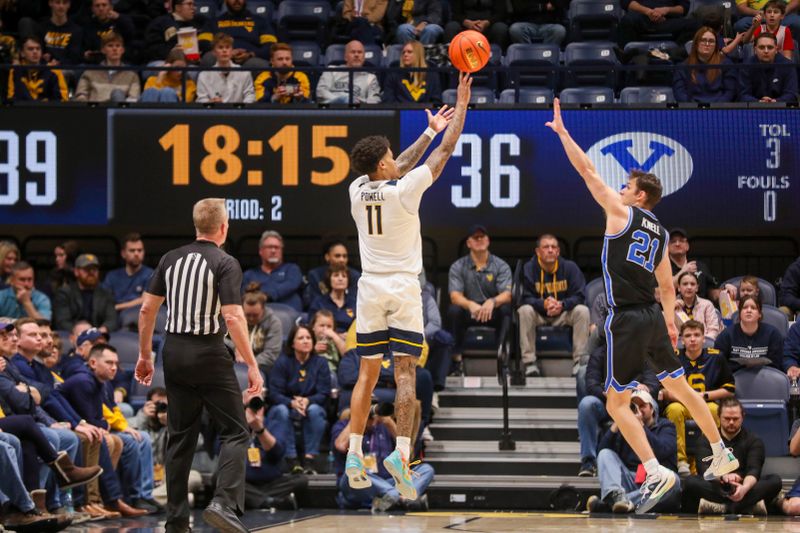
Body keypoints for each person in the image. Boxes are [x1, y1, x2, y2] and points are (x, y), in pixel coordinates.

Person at [546, 97, 738, 514]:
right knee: (681, 388)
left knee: (615, 403)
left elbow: (587, 170)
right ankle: (720, 450)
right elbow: (667, 289)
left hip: (627, 318)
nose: (619, 189)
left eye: (627, 186)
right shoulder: (663, 235)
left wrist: (563, 134)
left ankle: (653, 469)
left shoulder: (619, 212)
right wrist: (670, 324)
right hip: (653, 317)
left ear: (640, 195)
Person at [344, 72, 470, 501]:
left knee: (366, 373)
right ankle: (401, 451)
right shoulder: (405, 193)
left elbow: (401, 166)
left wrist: (426, 131)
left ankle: (355, 452)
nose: (396, 159)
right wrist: (461, 106)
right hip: (402, 287)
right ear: (383, 164)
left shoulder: (357, 190)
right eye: (390, 157)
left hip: (369, 288)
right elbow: (445, 152)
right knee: (405, 372)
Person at [135, 197, 263, 533]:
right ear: (224, 227)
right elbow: (233, 315)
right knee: (236, 431)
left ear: (197, 225)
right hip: (208, 352)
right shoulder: (225, 261)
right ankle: (223, 502)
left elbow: (147, 310)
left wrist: (144, 355)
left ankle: (176, 522)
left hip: (173, 352)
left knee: (180, 438)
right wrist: (251, 363)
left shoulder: (170, 259)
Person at [681, 397, 782, 515]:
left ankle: (725, 507)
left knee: (775, 481)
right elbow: (704, 469)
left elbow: (754, 470)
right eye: (727, 419)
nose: (731, 422)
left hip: (744, 487)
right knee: (690, 482)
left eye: (735, 419)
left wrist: (743, 489)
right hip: (718, 486)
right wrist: (724, 477)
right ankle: (743, 506)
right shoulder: (706, 439)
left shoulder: (754, 440)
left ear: (743, 417)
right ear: (719, 416)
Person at [585, 389, 679, 513]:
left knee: (674, 481)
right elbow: (602, 453)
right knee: (605, 454)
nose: (638, 410)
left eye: (642, 406)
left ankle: (609, 505)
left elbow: (662, 451)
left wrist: (641, 427)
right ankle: (617, 497)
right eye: (634, 407)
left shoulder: (666, 426)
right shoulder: (624, 427)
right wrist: (618, 423)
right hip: (630, 478)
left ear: (652, 409)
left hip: (656, 481)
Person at [663, 320, 734, 477]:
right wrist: (688, 398)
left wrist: (703, 396)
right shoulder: (673, 357)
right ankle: (681, 461)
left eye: (697, 335)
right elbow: (664, 391)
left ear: (704, 338)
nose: (693, 339)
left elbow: (729, 389)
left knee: (715, 410)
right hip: (681, 404)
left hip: (706, 403)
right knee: (674, 410)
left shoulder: (716, 357)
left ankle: (708, 459)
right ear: (681, 340)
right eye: (688, 335)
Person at [578, 342, 659, 478]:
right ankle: (588, 462)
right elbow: (591, 384)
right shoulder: (600, 353)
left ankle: (653, 462)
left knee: (649, 402)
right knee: (587, 404)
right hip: (609, 402)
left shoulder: (644, 353)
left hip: (636, 402)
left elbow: (653, 385)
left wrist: (643, 389)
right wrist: (609, 393)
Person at [333, 404, 435, 512]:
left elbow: (409, 452)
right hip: (359, 485)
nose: (371, 418)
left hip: (387, 482)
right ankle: (398, 497)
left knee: (426, 469)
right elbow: (340, 445)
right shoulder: (345, 425)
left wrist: (390, 423)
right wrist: (357, 419)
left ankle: (397, 499)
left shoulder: (384, 426)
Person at [518, 234, 590, 377]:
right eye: (546, 247)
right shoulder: (529, 268)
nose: (550, 250)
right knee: (524, 310)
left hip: (563, 314)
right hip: (539, 315)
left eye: (554, 247)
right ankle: (529, 363)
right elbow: (524, 297)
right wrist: (543, 304)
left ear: (558, 251)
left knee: (582, 311)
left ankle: (579, 363)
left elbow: (580, 295)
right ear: (538, 251)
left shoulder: (570, 267)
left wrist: (562, 304)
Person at [266, 324, 331, 474]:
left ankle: (309, 460)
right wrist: (292, 403)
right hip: (286, 405)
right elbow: (274, 394)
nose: (305, 341)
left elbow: (324, 393)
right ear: (292, 343)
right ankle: (291, 459)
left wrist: (308, 401)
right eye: (300, 338)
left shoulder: (321, 363)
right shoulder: (282, 362)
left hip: (310, 405)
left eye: (308, 338)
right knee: (281, 411)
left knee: (315, 411)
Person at [446, 224, 512, 367]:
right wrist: (470, 305)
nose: (480, 239)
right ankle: (456, 359)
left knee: (506, 310)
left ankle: (503, 355)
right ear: (469, 243)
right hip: (470, 311)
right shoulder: (458, 266)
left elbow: (507, 295)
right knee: (453, 311)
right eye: (475, 237)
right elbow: (455, 296)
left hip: (492, 311)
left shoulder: (501, 265)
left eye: (483, 237)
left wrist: (492, 302)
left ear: (488, 241)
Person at [242, 391, 306, 510]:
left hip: (271, 483)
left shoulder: (273, 424)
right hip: (244, 483)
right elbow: (222, 453)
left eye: (257, 404)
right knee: (219, 479)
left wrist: (260, 430)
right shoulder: (234, 427)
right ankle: (269, 502)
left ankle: (257, 500)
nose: (254, 409)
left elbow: (277, 453)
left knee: (301, 480)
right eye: (248, 406)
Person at [714, 295, 784, 371]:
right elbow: (719, 365)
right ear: (739, 313)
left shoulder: (773, 334)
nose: (749, 310)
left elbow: (776, 366)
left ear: (759, 314)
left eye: (753, 308)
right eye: (745, 308)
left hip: (765, 379)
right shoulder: (726, 336)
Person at [53, 254, 118, 333]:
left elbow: (112, 320)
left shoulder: (106, 293)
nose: (91, 272)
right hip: (72, 334)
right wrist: (80, 332)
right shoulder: (64, 293)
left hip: (99, 334)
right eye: (87, 269)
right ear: (76, 272)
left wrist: (99, 331)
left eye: (94, 269)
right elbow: (62, 321)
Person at [241, 230, 304, 312]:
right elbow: (244, 295)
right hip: (258, 316)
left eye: (277, 247)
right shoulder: (249, 275)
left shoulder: (292, 269)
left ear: (281, 251)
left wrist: (263, 293)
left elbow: (289, 285)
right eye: (269, 247)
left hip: (288, 314)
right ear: (261, 251)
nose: (273, 251)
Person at [673, 26, 738, 103]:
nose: (707, 44)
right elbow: (680, 93)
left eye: (711, 41)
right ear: (696, 43)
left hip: (718, 109)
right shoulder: (683, 67)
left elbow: (730, 92)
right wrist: (694, 107)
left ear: (716, 45)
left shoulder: (726, 65)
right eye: (703, 40)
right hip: (692, 110)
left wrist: (716, 107)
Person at [73, 32, 141, 102]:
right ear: (103, 50)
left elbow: (133, 98)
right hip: (95, 110)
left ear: (122, 50)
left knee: (118, 94)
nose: (114, 49)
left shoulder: (132, 75)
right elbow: (80, 95)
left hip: (118, 110)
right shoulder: (90, 73)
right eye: (110, 46)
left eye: (118, 46)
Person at [206, 0, 276, 68]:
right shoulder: (213, 22)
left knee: (257, 64)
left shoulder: (260, 21)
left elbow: (270, 46)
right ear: (225, 1)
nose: (237, 1)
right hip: (221, 56)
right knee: (209, 58)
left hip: (251, 59)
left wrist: (251, 54)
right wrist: (226, 52)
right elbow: (203, 43)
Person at [195, 33, 256, 104]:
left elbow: (250, 96)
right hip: (214, 113)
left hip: (238, 113)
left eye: (227, 47)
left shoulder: (244, 73)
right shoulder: (204, 75)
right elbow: (201, 99)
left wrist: (241, 110)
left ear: (232, 51)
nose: (224, 50)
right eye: (220, 47)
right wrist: (210, 103)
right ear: (214, 52)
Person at [102, 233, 154, 314]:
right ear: (123, 253)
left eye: (140, 250)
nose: (136, 254)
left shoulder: (150, 274)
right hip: (114, 317)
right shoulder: (112, 276)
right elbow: (104, 299)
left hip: (138, 315)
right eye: (132, 250)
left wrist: (117, 307)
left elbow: (145, 300)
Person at [144, 0, 212, 62]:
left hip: (194, 62)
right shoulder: (160, 23)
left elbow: (207, 43)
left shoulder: (200, 22)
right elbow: (152, 49)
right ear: (178, 7)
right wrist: (171, 52)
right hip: (165, 62)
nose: (194, 8)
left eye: (194, 5)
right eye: (189, 4)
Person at [316, 40, 382, 104]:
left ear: (364, 57)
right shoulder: (332, 70)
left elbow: (374, 100)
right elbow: (321, 91)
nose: (356, 55)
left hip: (356, 111)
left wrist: (358, 102)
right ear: (345, 57)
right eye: (353, 52)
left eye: (360, 52)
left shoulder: (370, 78)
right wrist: (341, 100)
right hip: (332, 109)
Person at [739, 32, 798, 103]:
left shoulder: (788, 66)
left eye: (770, 47)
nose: (766, 51)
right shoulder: (746, 67)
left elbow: (792, 94)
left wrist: (775, 102)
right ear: (755, 49)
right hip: (754, 109)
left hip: (780, 108)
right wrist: (758, 102)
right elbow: (743, 94)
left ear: (776, 49)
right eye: (761, 47)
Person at [6, 36, 68, 102]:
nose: (35, 52)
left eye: (38, 49)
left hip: (47, 110)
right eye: (30, 49)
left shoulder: (54, 71)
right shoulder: (15, 71)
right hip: (22, 110)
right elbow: (11, 98)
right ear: (22, 53)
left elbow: (63, 99)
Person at [240, 282, 283, 376]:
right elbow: (222, 340)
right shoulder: (235, 320)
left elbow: (271, 353)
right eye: (247, 315)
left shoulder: (273, 322)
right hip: (235, 363)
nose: (251, 319)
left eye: (255, 315)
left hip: (263, 367)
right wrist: (236, 348)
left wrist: (250, 364)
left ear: (263, 309)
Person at [667, 228, 719, 302]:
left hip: (702, 310)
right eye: (673, 241)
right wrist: (683, 271)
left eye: (681, 241)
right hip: (674, 310)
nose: (677, 244)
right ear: (667, 247)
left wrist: (724, 291)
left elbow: (712, 292)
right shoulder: (662, 268)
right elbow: (659, 293)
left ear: (687, 246)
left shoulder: (700, 266)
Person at [617, 0, 700, 46]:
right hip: (641, 17)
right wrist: (648, 12)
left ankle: (676, 56)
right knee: (627, 21)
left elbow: (683, 8)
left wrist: (666, 10)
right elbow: (626, 2)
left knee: (696, 25)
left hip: (666, 21)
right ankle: (631, 61)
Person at [304, 240, 361, 308]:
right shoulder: (315, 275)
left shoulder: (355, 275)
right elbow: (313, 301)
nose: (341, 260)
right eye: (337, 256)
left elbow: (354, 300)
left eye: (344, 256)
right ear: (327, 257)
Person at [81, 0, 136, 64]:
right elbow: (85, 47)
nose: (101, 8)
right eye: (97, 6)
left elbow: (131, 33)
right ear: (92, 9)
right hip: (95, 63)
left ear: (111, 7)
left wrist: (119, 18)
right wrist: (85, 54)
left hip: (120, 61)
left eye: (104, 5)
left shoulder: (121, 22)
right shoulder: (88, 26)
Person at [308, 265, 357, 334]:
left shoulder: (354, 303)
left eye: (344, 276)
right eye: (336, 275)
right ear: (329, 279)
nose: (340, 279)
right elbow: (311, 326)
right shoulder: (319, 302)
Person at [675, 271, 722, 341]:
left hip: (703, 344)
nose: (689, 287)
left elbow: (713, 331)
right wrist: (671, 310)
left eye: (692, 284)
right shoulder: (671, 306)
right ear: (679, 287)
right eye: (685, 284)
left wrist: (700, 343)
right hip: (679, 346)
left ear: (697, 288)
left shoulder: (707, 305)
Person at [444, 0, 509, 49]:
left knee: (500, 28)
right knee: (451, 27)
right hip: (465, 24)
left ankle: (497, 57)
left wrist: (487, 22)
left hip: (489, 24)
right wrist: (466, 22)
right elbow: (455, 13)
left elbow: (501, 13)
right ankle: (449, 57)